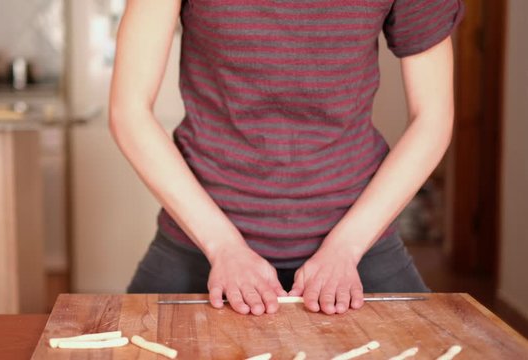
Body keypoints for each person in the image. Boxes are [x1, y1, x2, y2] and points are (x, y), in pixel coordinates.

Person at [109, 0, 465, 316]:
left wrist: (346, 248)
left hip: (358, 242)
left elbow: (432, 118)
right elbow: (129, 110)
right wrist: (223, 247)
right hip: (199, 240)